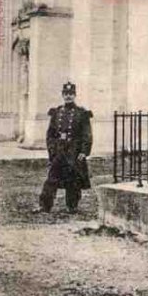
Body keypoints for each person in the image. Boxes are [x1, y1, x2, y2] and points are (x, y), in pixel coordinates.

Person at [38, 82, 93, 214]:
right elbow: (50, 134)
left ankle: (72, 206)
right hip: (59, 151)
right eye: (66, 94)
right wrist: (52, 150)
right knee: (51, 179)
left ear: (75, 95)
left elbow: (87, 134)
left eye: (71, 94)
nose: (68, 97)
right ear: (62, 95)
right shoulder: (56, 112)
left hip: (73, 152)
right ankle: (45, 206)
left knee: (73, 180)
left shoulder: (82, 113)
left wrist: (84, 152)